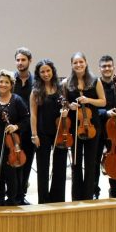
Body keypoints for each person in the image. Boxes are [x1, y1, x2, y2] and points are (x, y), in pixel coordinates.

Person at [65, 52, 106, 201]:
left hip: (92, 125)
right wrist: (71, 106)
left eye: (81, 62)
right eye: (75, 63)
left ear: (86, 62)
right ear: (71, 65)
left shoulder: (95, 81)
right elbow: (65, 103)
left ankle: (88, 195)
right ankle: (76, 196)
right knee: (76, 162)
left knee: (90, 161)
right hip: (75, 126)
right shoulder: (67, 83)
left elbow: (103, 102)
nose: (78, 65)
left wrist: (88, 99)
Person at [0, 70, 29, 206]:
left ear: (11, 85)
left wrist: (15, 127)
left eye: (6, 82)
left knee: (11, 174)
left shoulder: (17, 100)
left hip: (11, 143)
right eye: (0, 81)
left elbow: (26, 119)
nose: (3, 84)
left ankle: (12, 200)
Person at [30, 59, 68, 204]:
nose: (46, 74)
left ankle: (58, 199)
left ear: (53, 71)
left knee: (60, 167)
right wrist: (34, 135)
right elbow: (33, 114)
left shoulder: (61, 88)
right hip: (42, 132)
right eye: (42, 72)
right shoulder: (35, 91)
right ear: (38, 74)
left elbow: (66, 105)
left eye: (48, 71)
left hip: (60, 131)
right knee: (43, 167)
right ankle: (44, 200)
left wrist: (66, 110)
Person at [95, 55, 116, 198]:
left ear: (114, 67)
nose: (107, 68)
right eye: (104, 66)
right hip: (97, 127)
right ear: (100, 69)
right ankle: (94, 191)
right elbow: (91, 107)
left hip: (114, 130)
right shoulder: (95, 85)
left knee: (115, 159)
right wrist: (105, 112)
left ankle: (114, 190)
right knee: (94, 161)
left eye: (109, 66)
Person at [13, 47, 35, 204]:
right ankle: (13, 193)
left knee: (26, 162)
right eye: (18, 60)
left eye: (23, 60)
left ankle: (22, 194)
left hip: (30, 130)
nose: (20, 63)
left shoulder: (36, 83)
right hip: (14, 130)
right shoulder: (10, 81)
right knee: (13, 163)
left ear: (29, 61)